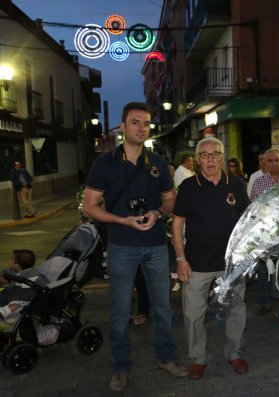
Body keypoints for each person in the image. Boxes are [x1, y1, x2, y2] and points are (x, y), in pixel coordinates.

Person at [82, 102, 186, 392]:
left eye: (146, 123)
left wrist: (158, 214)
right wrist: (122, 221)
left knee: (163, 307)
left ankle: (166, 357)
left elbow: (170, 198)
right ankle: (121, 366)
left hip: (155, 246)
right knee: (119, 310)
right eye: (136, 122)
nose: (142, 127)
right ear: (123, 127)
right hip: (122, 246)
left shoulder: (157, 162)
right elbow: (89, 207)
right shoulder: (105, 163)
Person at [172, 137, 251, 380]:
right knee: (194, 314)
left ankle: (234, 353)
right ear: (197, 160)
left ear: (222, 157)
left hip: (231, 265)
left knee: (235, 309)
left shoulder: (235, 184)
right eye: (204, 155)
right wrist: (180, 259)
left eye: (215, 154)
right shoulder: (188, 187)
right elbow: (177, 225)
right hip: (197, 263)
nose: (210, 160)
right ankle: (198, 357)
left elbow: (248, 221)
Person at [250, 148, 279, 315]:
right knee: (264, 268)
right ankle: (266, 301)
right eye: (269, 161)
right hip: (266, 233)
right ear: (265, 163)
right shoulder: (259, 183)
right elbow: (254, 210)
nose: (274, 163)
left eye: (277, 160)